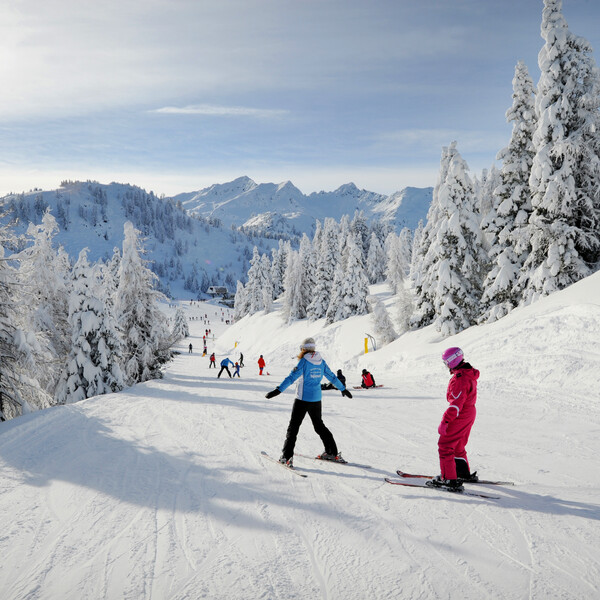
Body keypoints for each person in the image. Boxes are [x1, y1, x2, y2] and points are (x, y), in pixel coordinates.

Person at [265, 337, 353, 467]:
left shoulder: (304, 362)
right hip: (316, 399)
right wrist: (343, 388)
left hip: (302, 399)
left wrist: (278, 390)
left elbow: (291, 378)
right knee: (319, 426)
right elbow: (331, 376)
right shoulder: (321, 361)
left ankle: (286, 457)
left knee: (293, 428)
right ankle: (331, 452)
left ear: (304, 349)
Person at [429, 347, 479, 493]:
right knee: (458, 445)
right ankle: (462, 473)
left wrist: (445, 421)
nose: (445, 365)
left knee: (445, 445)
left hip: (461, 413)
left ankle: (449, 479)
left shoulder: (460, 378)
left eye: (446, 362)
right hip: (469, 412)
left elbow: (456, 404)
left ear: (452, 361)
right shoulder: (467, 373)